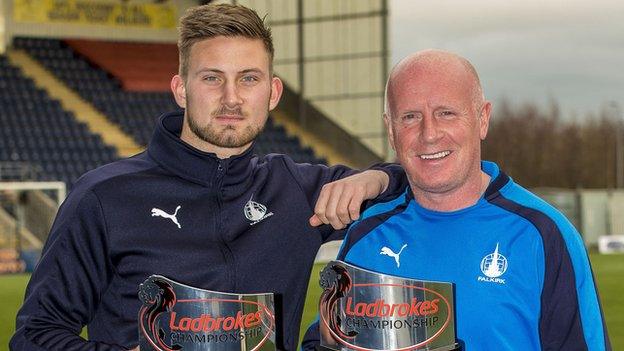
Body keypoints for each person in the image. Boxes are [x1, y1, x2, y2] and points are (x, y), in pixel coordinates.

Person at [10, 4, 405, 351]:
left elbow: (426, 183)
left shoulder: (298, 189)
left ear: (273, 92)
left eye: (249, 78)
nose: (231, 98)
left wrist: (377, 179)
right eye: (212, 78)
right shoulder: (104, 196)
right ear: (181, 89)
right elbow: (36, 335)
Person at [302, 50, 611, 350]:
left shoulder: (544, 234)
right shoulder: (366, 234)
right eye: (410, 117)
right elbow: (328, 339)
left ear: (482, 119)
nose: (429, 133)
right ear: (391, 131)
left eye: (446, 113)